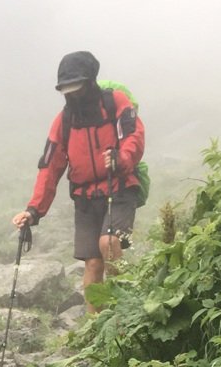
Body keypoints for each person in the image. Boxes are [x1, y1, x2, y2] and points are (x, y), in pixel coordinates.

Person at [12, 50, 145, 311]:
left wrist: (122, 158)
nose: (72, 95)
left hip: (118, 188)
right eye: (66, 90)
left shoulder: (115, 103)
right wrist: (33, 210)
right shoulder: (64, 121)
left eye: (77, 88)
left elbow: (133, 137)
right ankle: (95, 329)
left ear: (90, 82)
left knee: (109, 243)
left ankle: (126, 313)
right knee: (93, 263)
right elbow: (50, 166)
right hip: (85, 198)